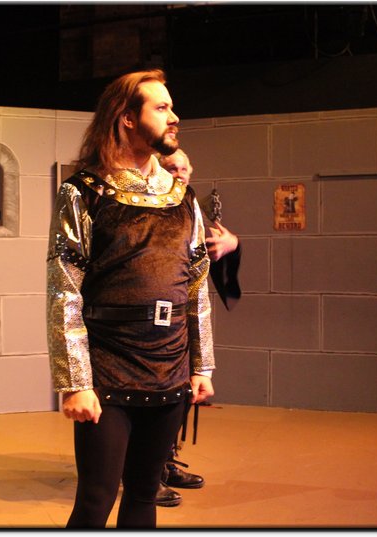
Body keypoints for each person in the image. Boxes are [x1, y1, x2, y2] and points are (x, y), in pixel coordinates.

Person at [46, 70, 215, 528]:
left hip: (170, 369)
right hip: (109, 370)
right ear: (126, 119)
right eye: (161, 108)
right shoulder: (84, 192)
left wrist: (202, 366)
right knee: (96, 500)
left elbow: (196, 286)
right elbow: (64, 290)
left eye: (171, 107)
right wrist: (75, 382)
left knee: (143, 495)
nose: (174, 117)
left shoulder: (183, 196)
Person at [154, 149, 243, 507]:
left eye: (183, 167)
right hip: (147, 316)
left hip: (183, 313)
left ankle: (164, 460)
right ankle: (144, 471)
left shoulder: (191, 206)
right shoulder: (146, 204)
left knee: (180, 392)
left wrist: (232, 243)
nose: (178, 172)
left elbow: (215, 246)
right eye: (170, 167)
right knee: (149, 397)